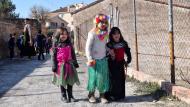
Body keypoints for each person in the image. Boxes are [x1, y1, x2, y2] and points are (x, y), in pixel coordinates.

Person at [85, 14, 110, 103]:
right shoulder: (92, 33)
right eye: (101, 22)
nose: (103, 24)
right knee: (93, 78)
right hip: (93, 61)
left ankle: (102, 95)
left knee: (102, 78)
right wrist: (90, 58)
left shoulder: (105, 33)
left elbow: (104, 45)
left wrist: (109, 50)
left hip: (103, 60)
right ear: (96, 23)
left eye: (105, 22)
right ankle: (91, 94)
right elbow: (88, 47)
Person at [51, 27, 80, 103]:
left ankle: (70, 95)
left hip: (69, 65)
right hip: (60, 66)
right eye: (62, 34)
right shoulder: (56, 45)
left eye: (65, 34)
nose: (64, 35)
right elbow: (53, 56)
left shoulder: (69, 44)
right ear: (58, 35)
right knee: (62, 81)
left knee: (70, 81)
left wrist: (75, 62)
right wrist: (54, 65)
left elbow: (73, 54)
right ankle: (63, 95)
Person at [106, 27, 132, 101]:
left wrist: (128, 60)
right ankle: (112, 95)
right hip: (112, 64)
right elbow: (106, 54)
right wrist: (110, 55)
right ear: (111, 35)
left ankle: (120, 95)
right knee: (113, 80)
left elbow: (128, 52)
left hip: (120, 64)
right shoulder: (109, 44)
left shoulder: (123, 43)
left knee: (121, 79)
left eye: (118, 33)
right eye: (114, 34)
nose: (116, 35)